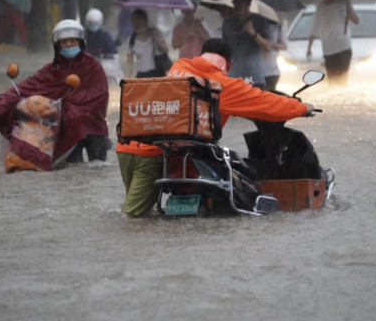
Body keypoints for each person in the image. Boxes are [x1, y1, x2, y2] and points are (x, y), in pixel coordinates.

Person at [116, 38, 314, 218]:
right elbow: (265, 102)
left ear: (200, 54)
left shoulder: (179, 67)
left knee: (144, 214)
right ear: (229, 64)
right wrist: (303, 108)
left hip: (128, 146)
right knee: (131, 219)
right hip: (153, 156)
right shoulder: (222, 86)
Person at [0, 19, 111, 167]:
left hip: (94, 129)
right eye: (64, 42)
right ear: (57, 45)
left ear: (80, 42)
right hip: (68, 130)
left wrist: (73, 111)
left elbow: (100, 98)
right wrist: (7, 98)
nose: (69, 45)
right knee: (71, 171)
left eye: (73, 40)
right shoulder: (52, 70)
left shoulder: (94, 67)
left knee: (99, 169)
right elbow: (28, 87)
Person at [306, 0, 359, 84]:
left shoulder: (344, 2)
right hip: (328, 49)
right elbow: (314, 28)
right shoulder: (321, 7)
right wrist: (309, 48)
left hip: (343, 48)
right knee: (332, 80)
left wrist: (349, 11)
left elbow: (356, 20)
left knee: (342, 79)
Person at [222, 0, 272, 90]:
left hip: (254, 78)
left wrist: (253, 33)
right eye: (235, 2)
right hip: (233, 77)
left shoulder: (260, 21)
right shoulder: (228, 23)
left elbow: (268, 47)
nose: (237, 5)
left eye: (240, 2)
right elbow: (224, 49)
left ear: (248, 3)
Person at [125, 8, 169, 78]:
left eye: (139, 20)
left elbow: (166, 50)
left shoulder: (155, 32)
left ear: (145, 20)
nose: (136, 23)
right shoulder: (131, 40)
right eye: (133, 21)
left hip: (157, 73)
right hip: (142, 74)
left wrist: (157, 41)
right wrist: (126, 78)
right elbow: (130, 62)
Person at [84, 8, 122, 84]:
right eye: (91, 23)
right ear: (87, 22)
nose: (93, 26)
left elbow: (113, 52)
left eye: (95, 23)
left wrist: (108, 55)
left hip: (104, 66)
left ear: (101, 22)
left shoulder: (106, 36)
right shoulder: (82, 35)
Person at [262, 19, 288, 91]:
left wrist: (270, 45)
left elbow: (285, 46)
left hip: (272, 70)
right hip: (259, 70)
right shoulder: (257, 26)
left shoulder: (279, 28)